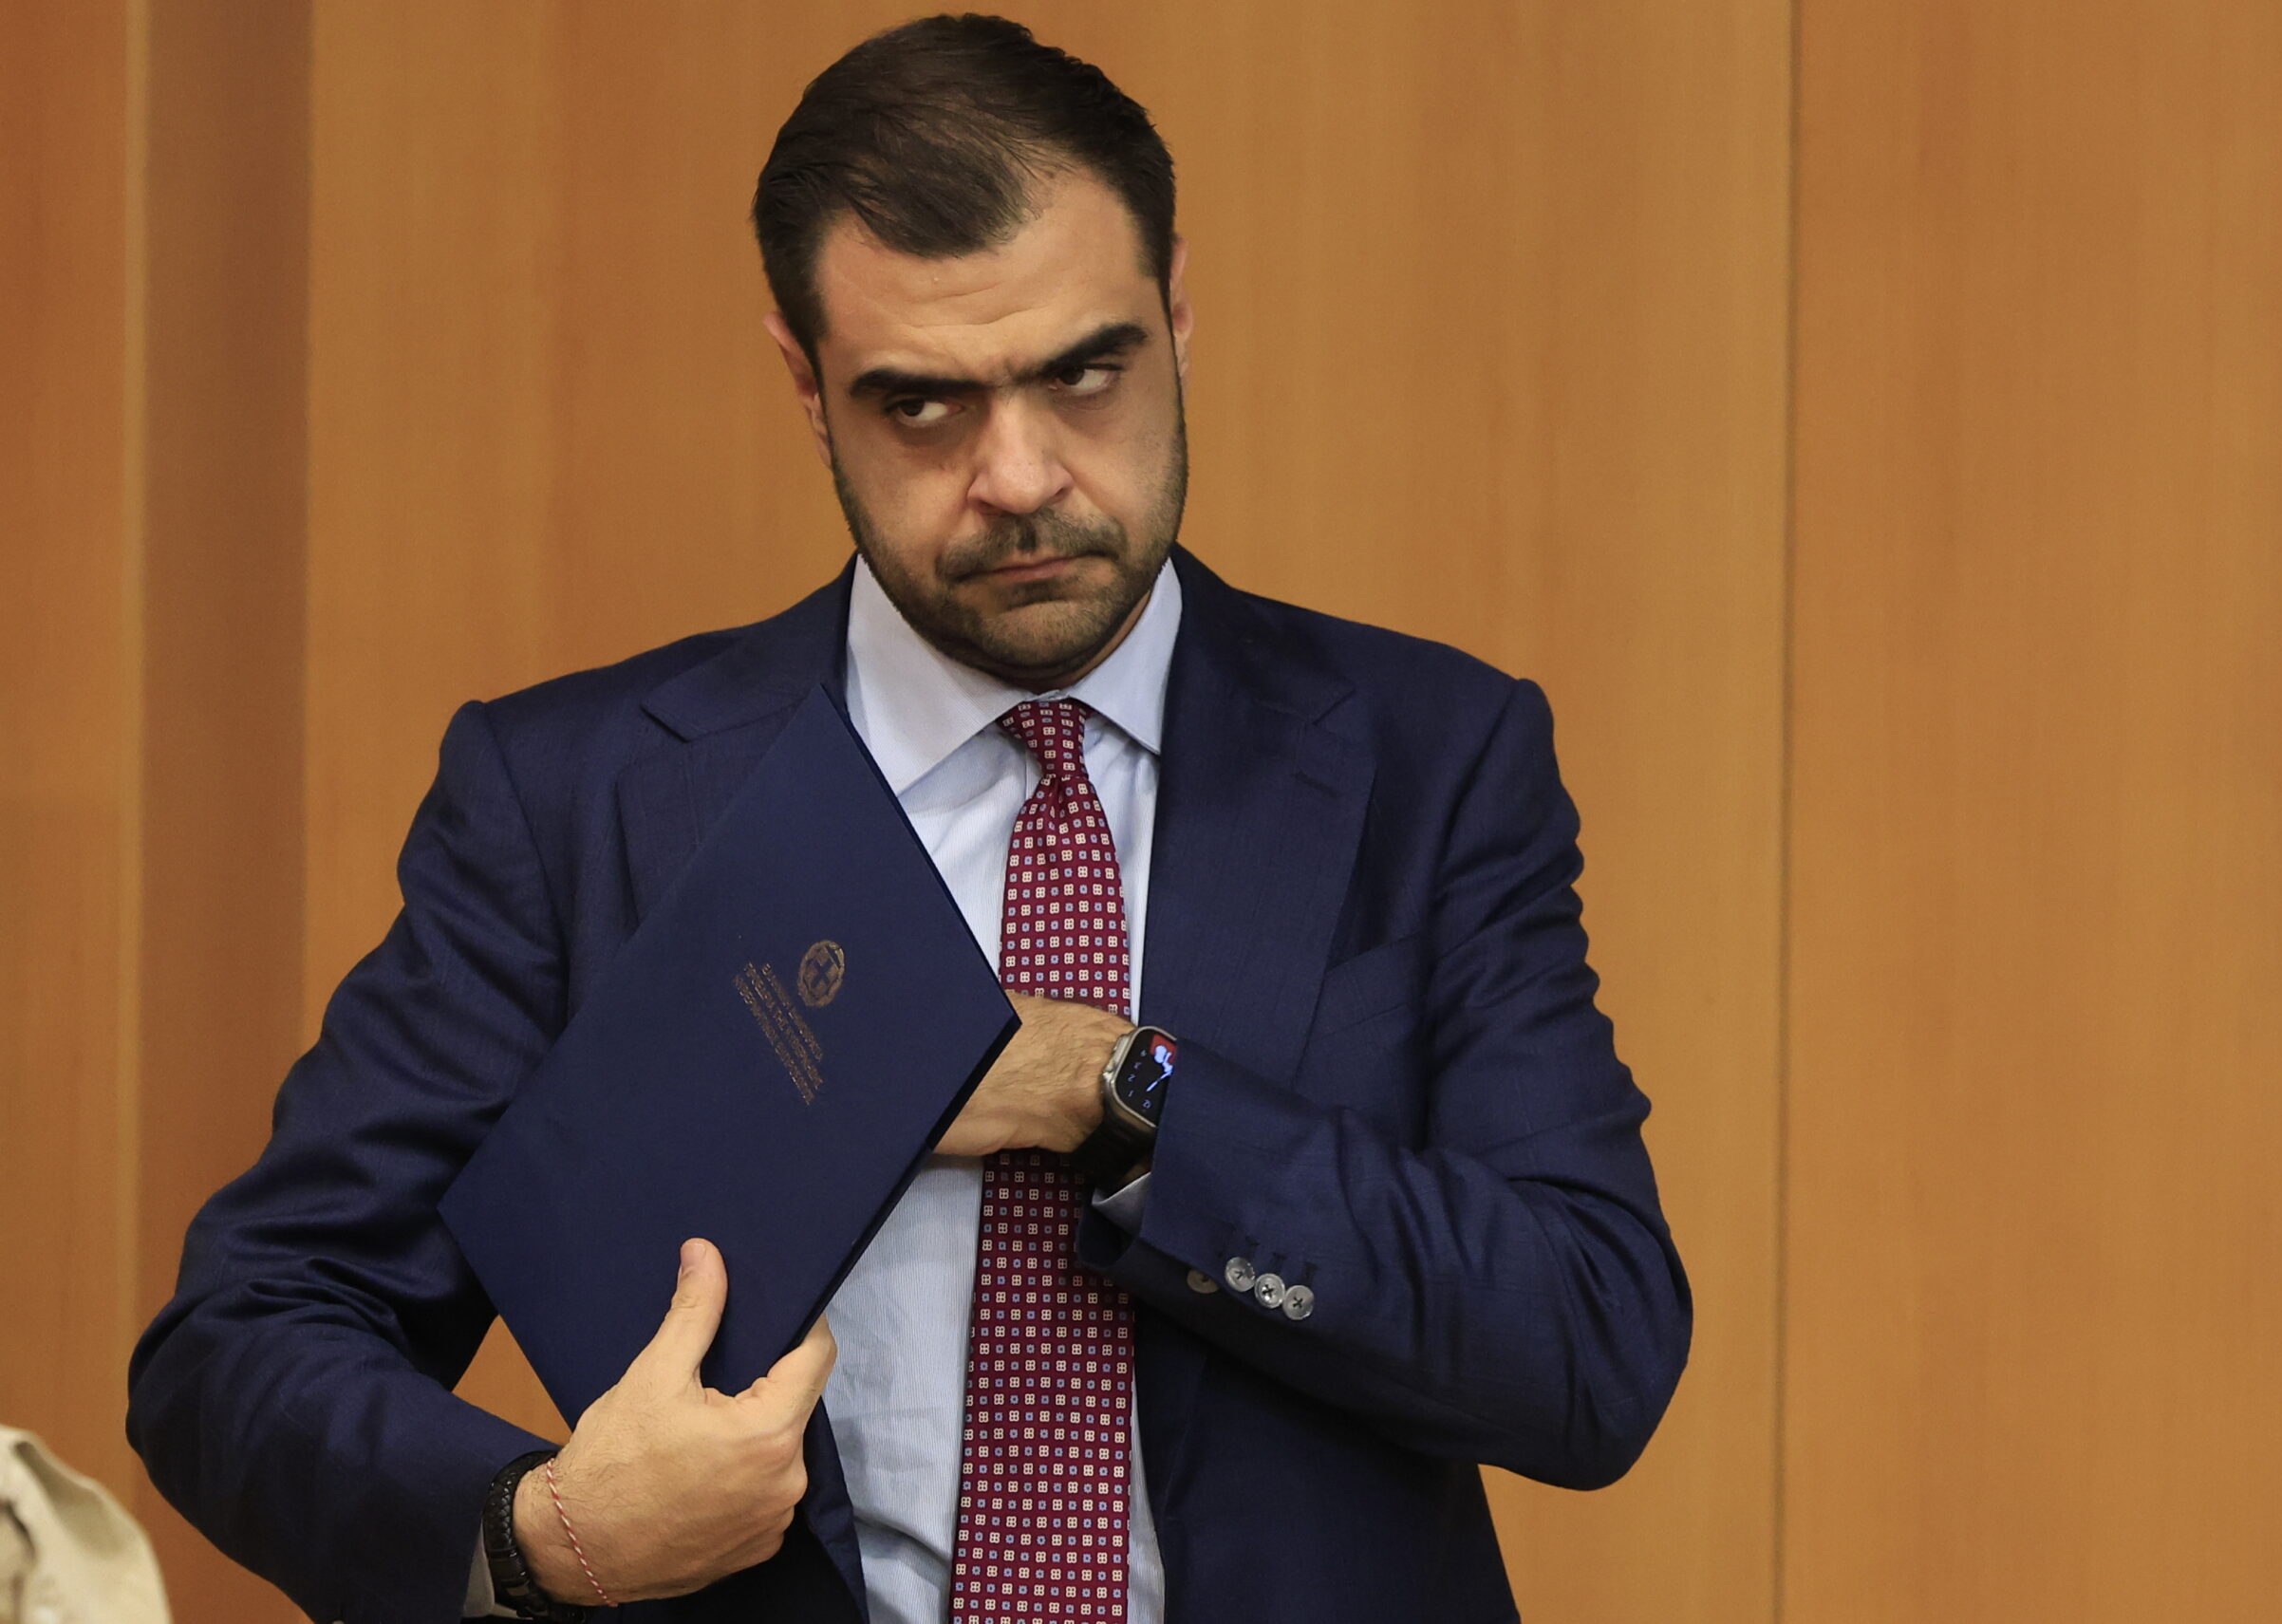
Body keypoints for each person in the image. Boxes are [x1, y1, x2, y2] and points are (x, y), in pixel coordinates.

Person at [126, 15, 1691, 1624]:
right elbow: (239, 1344)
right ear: (808, 389)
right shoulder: (582, 802)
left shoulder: (1432, 762)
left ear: (1177, 318)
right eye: (924, 406)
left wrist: (1111, 1085)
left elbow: (1590, 1345)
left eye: (1084, 373)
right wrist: (551, 1530)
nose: (1020, 476)